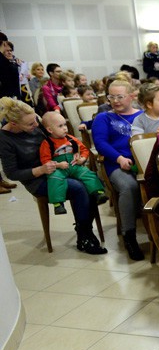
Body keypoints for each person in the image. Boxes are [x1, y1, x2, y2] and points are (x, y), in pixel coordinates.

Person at [0, 97, 105, 252]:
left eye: (36, 119)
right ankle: (85, 235)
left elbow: (61, 138)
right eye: (30, 124)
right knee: (77, 187)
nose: (37, 125)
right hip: (37, 179)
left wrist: (75, 153)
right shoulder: (5, 139)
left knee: (91, 181)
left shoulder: (36, 124)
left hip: (62, 166)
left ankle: (84, 229)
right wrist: (41, 170)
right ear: (14, 124)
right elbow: (12, 173)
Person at [92, 79, 144, 260]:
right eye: (111, 97)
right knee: (129, 187)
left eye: (120, 96)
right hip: (116, 164)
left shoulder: (142, 116)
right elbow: (100, 143)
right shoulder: (104, 118)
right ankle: (129, 235)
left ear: (132, 96)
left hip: (143, 163)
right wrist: (119, 158)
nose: (115, 101)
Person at [39, 111, 108, 214]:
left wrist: (82, 159)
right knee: (54, 179)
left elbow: (84, 150)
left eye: (65, 125)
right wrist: (58, 165)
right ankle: (58, 204)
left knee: (87, 173)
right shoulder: (47, 143)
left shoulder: (71, 139)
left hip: (74, 164)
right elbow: (45, 160)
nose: (65, 128)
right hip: (58, 168)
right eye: (60, 126)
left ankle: (98, 193)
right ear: (50, 129)